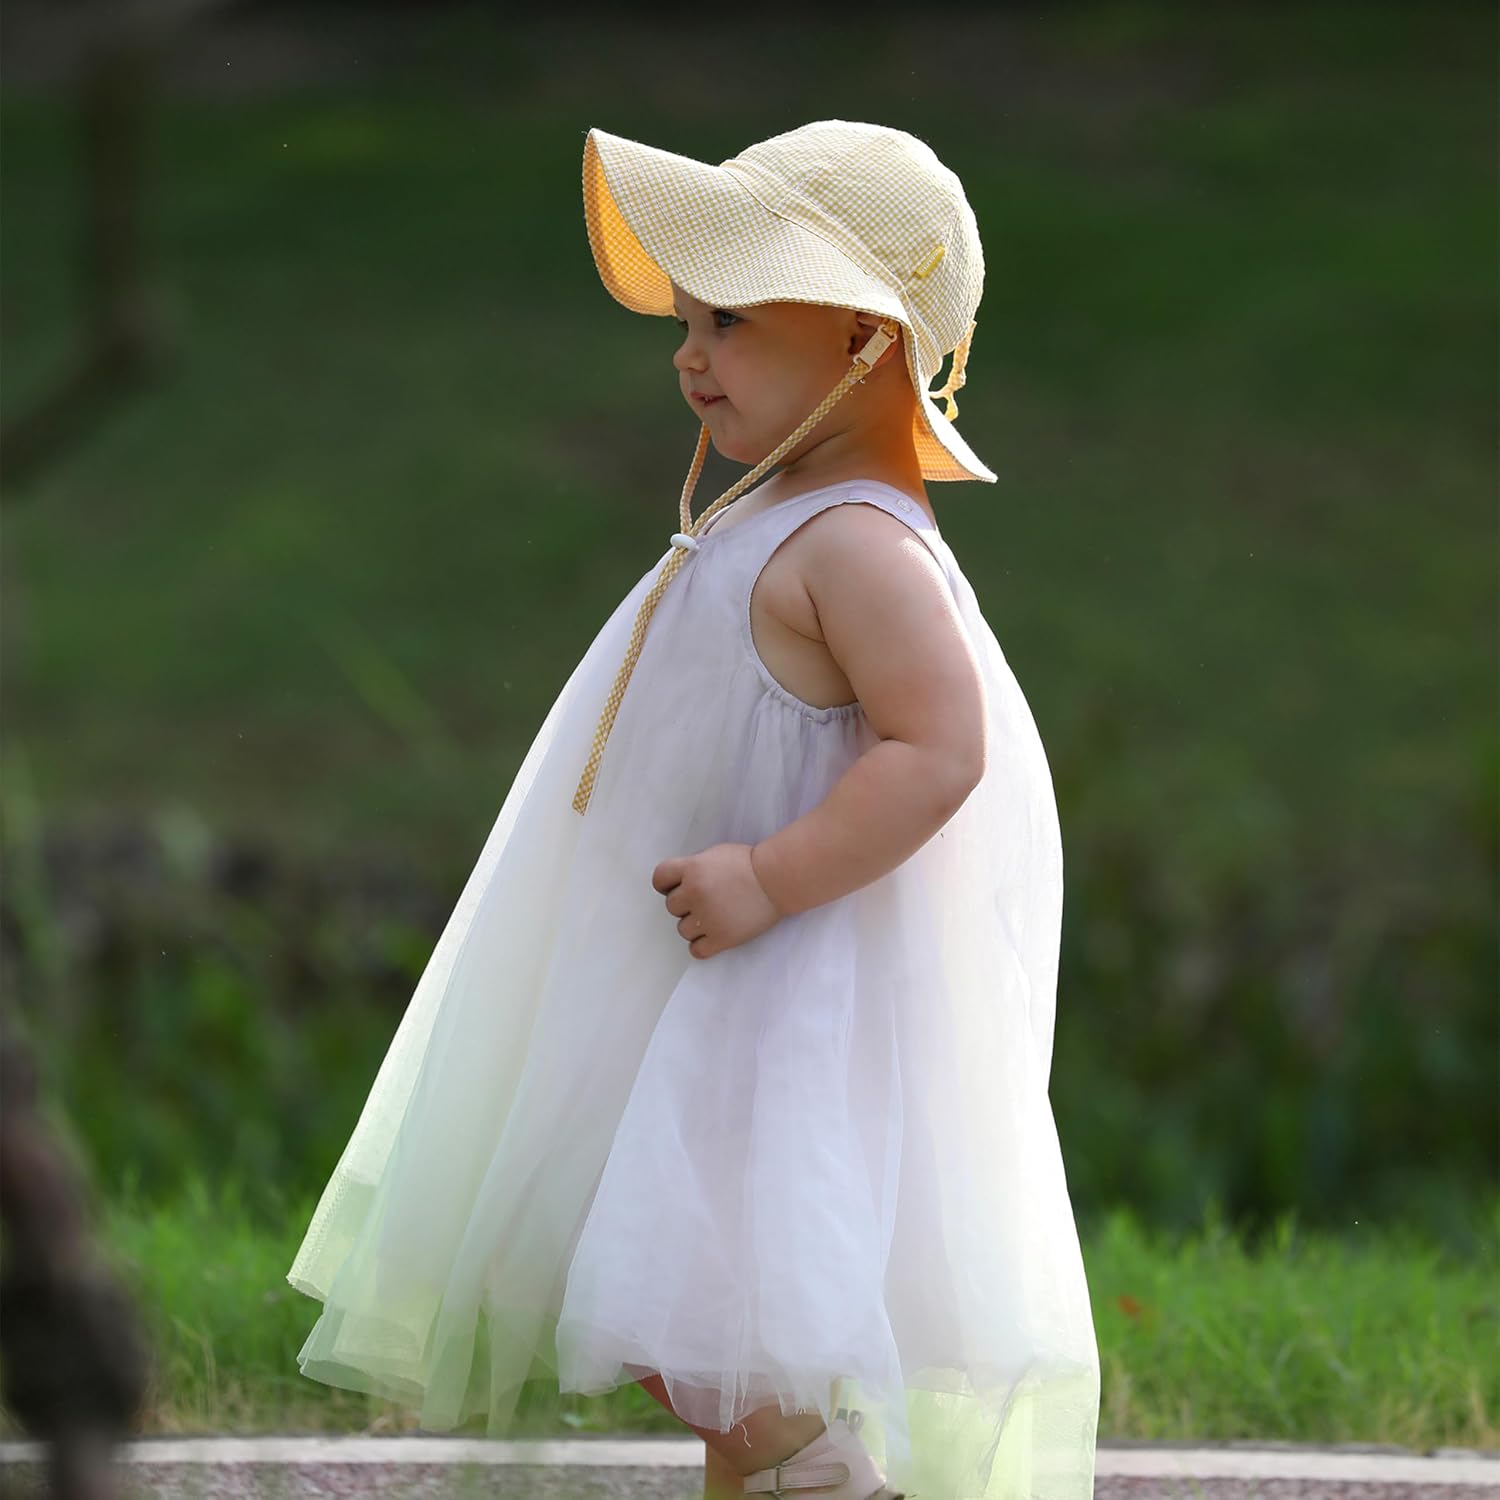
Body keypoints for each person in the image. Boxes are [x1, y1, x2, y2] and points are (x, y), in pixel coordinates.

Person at [287, 120, 1100, 1500]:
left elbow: (937, 749)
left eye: (727, 318)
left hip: (779, 989)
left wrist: (773, 876)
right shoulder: (781, 508)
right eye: (687, 320)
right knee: (709, 1342)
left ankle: (824, 1479)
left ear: (860, 340)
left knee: (716, 1331)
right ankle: (782, 1471)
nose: (687, 354)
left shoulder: (856, 545)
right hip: (699, 973)